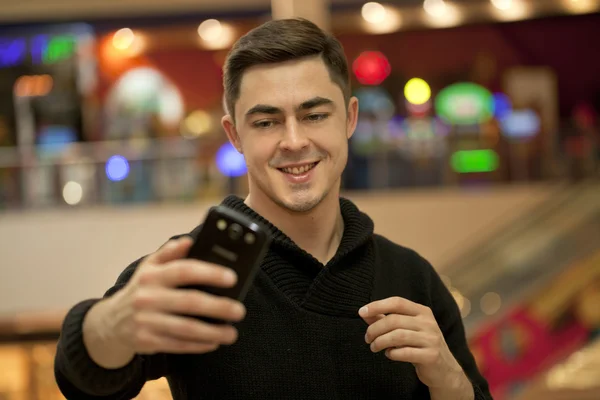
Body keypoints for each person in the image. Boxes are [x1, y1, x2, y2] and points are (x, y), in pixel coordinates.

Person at [54, 18, 493, 400]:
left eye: (315, 115)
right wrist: (108, 326)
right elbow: (84, 381)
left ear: (350, 118)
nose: (294, 140)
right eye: (266, 122)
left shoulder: (411, 276)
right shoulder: (196, 271)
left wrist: (450, 383)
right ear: (235, 135)